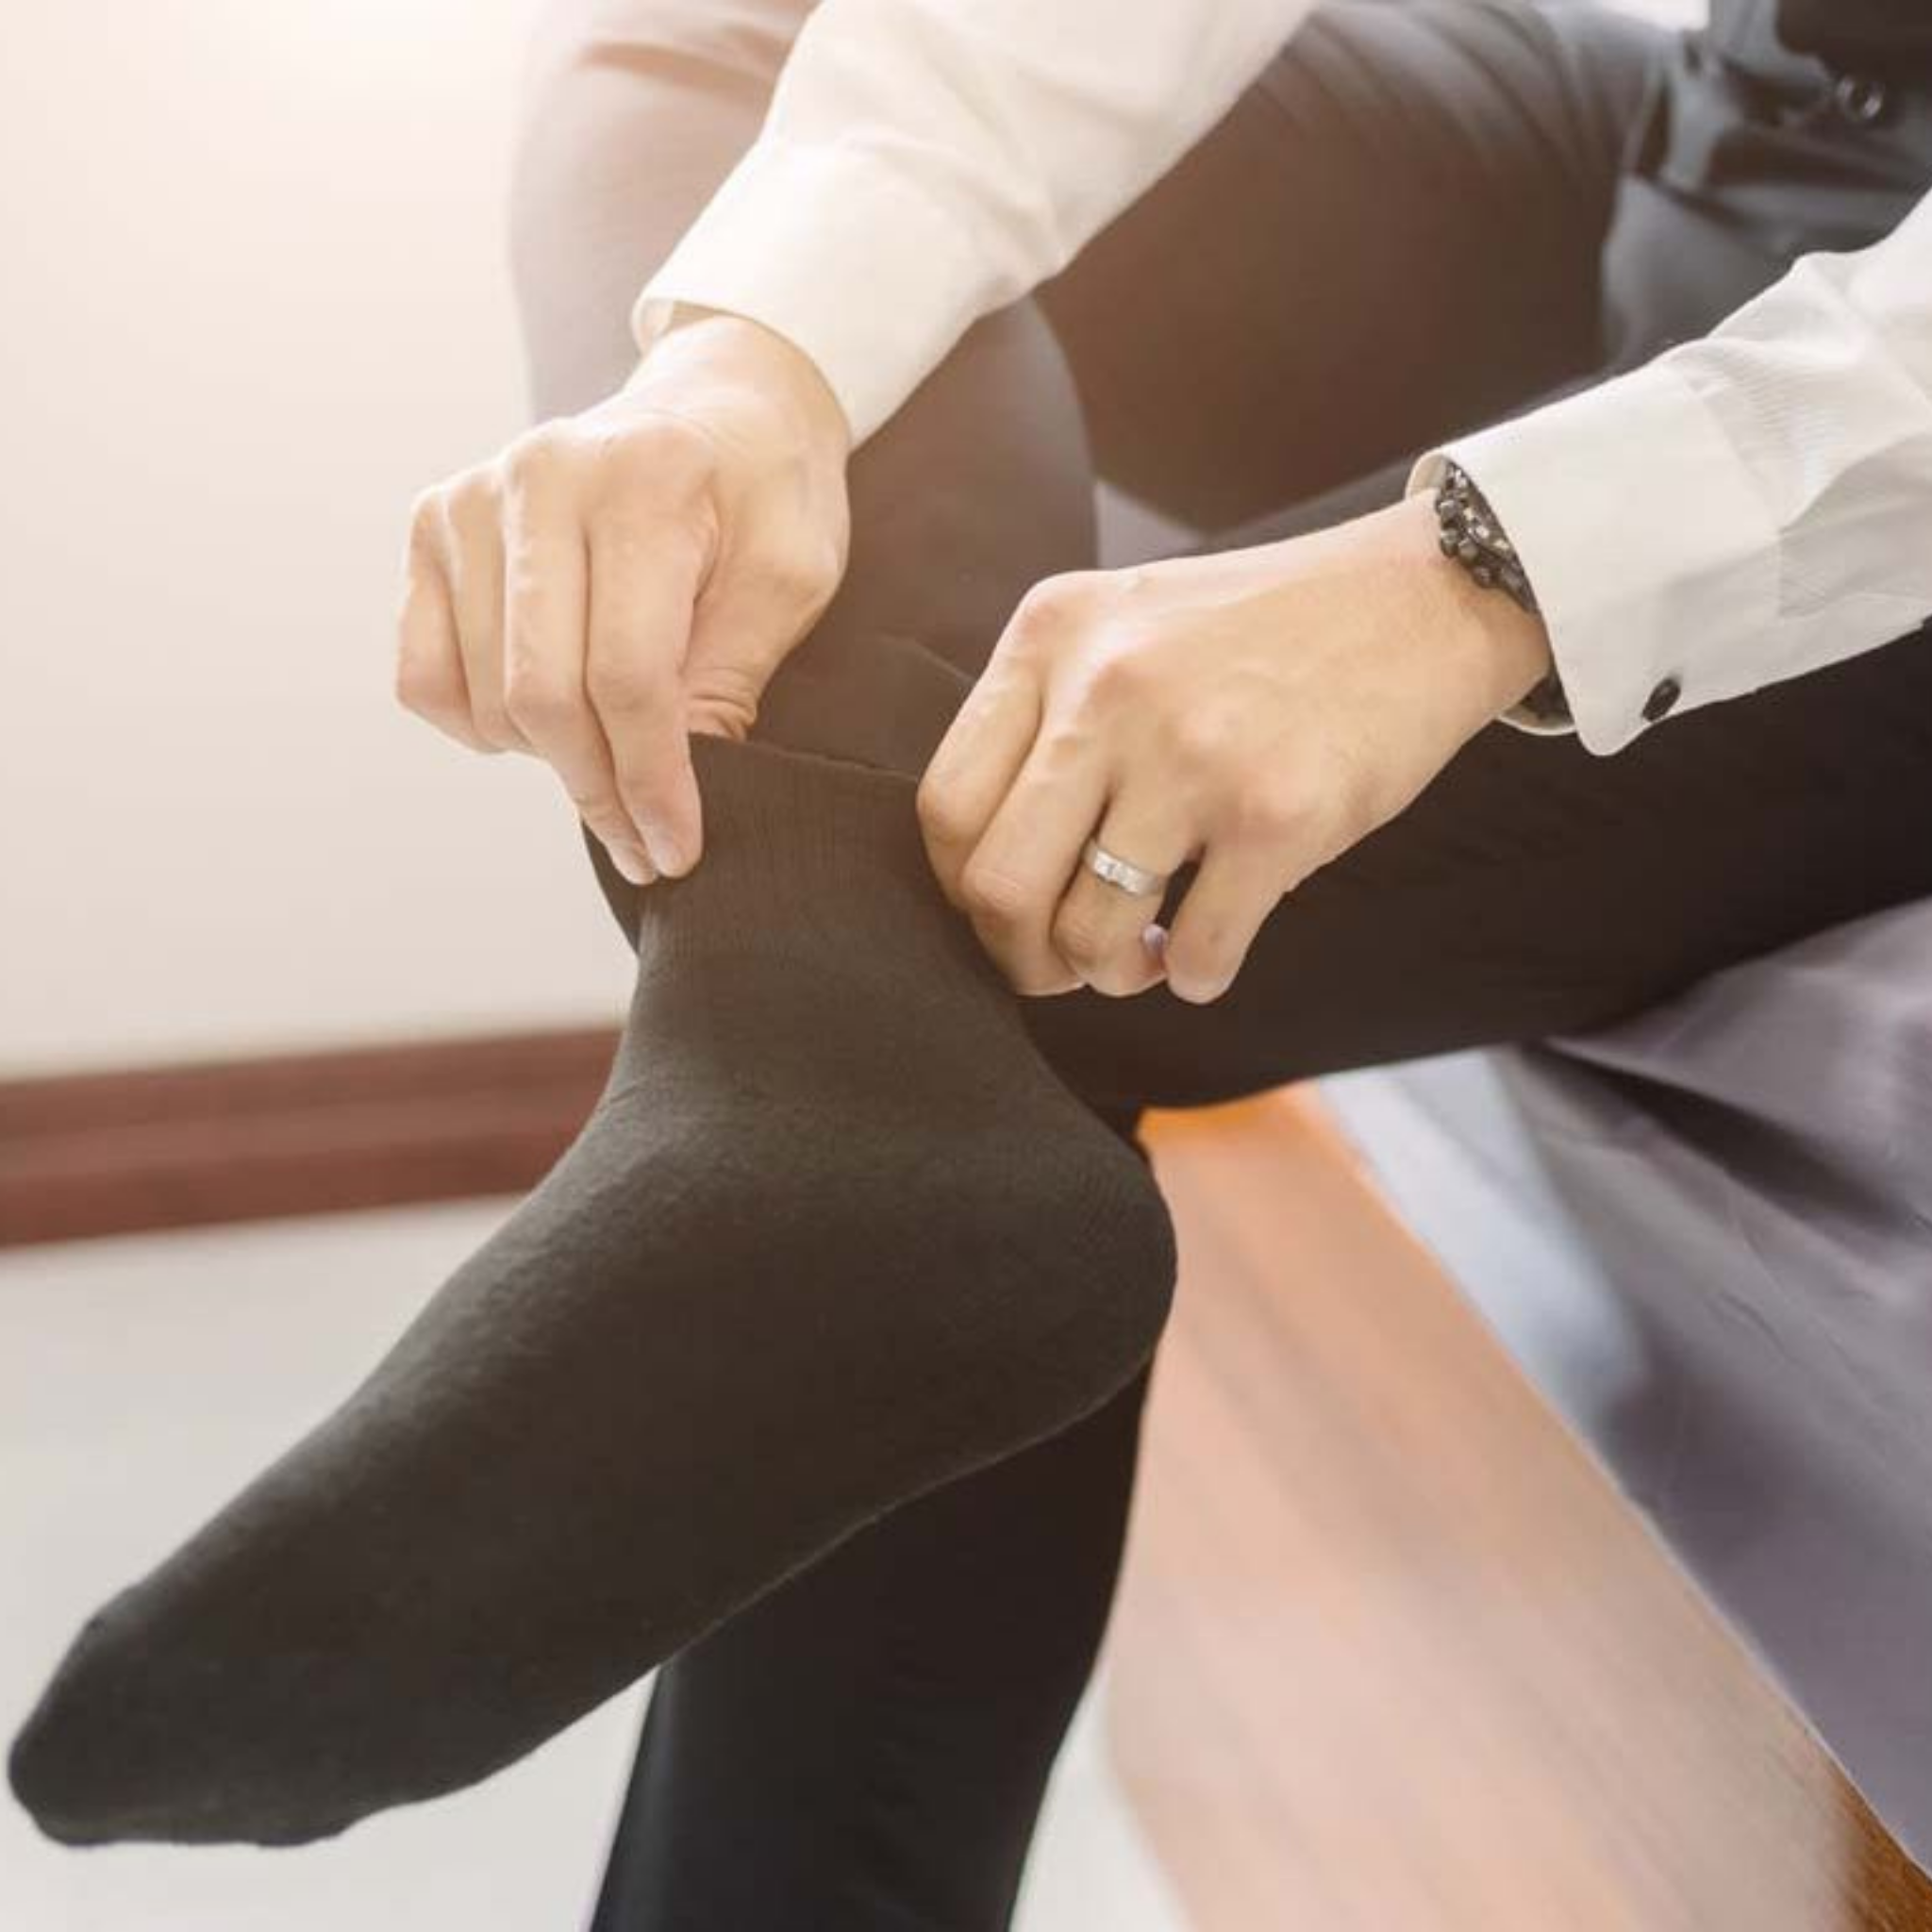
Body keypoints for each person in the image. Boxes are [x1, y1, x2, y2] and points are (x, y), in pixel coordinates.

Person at [10, 1, 1931, 1924]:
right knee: (708, 45)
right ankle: (818, 1066)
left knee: (983, 921)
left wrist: (1477, 573)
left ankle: (836, 1089)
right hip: (1721, 109)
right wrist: (748, 365)